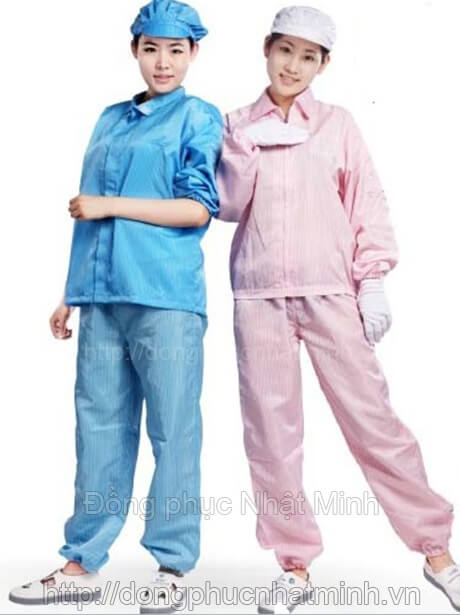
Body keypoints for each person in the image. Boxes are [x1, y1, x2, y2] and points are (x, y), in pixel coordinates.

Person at [216, 5, 458, 613]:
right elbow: (227, 207)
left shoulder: (338, 125)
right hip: (259, 296)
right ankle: (294, 565)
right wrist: (244, 148)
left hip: (330, 292)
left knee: (373, 422)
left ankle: (437, 552)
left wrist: (371, 281)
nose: (293, 66)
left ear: (323, 64)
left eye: (308, 57)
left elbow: (366, 202)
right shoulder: (235, 123)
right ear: (266, 49)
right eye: (285, 51)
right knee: (271, 436)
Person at [9, 0, 222, 611]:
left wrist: (111, 206)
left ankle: (173, 564)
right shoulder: (109, 118)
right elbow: (88, 213)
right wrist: (70, 292)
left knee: (173, 430)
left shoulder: (199, 117)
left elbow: (197, 209)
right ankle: (82, 561)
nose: (163, 62)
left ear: (193, 54)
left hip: (165, 295)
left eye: (176, 50)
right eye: (151, 49)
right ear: (134, 50)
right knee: (98, 429)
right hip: (102, 295)